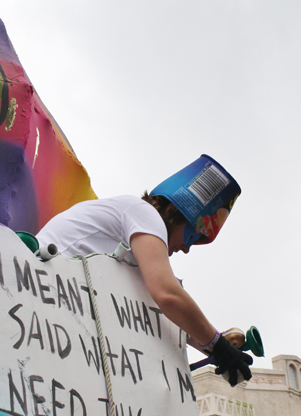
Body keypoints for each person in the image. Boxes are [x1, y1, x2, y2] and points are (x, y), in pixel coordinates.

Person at [36, 155, 253, 386]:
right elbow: (167, 295)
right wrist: (217, 345)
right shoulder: (144, 213)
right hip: (41, 290)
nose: (187, 248)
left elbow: (170, 315)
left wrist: (219, 348)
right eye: (192, 235)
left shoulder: (134, 253)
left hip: (47, 306)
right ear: (173, 212)